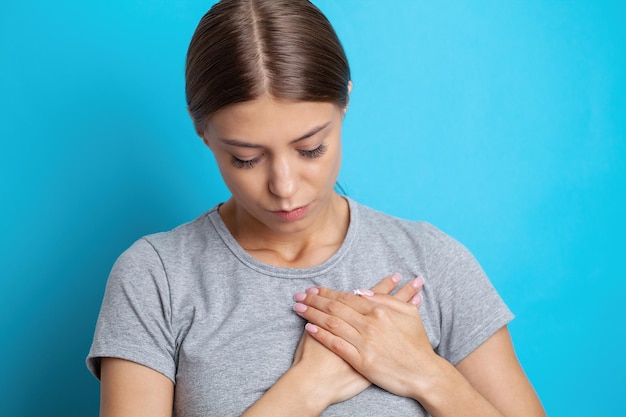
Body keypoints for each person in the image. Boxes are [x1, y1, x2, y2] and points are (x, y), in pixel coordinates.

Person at [87, 1, 546, 416]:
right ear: (201, 130)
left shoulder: (432, 261)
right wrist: (306, 388)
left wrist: (426, 373)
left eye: (310, 149)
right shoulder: (156, 278)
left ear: (345, 102)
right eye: (246, 158)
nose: (284, 188)